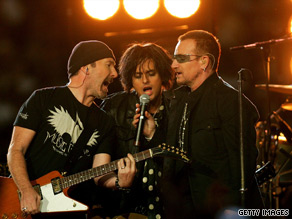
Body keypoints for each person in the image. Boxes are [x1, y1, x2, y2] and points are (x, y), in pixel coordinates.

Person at [136, 30, 263, 218]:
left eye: (181, 58)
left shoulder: (230, 101)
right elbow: (173, 155)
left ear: (204, 62)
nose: (173, 64)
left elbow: (241, 166)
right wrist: (153, 133)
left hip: (219, 209)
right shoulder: (177, 100)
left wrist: (229, 208)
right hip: (184, 209)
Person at [6, 40, 136, 218]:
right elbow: (16, 149)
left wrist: (120, 181)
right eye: (109, 65)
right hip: (22, 202)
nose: (115, 73)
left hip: (66, 210)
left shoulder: (104, 122)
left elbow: (101, 173)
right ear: (86, 67)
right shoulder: (43, 98)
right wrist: (26, 190)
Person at [100, 43, 174, 218]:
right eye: (138, 76)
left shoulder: (177, 108)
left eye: (151, 74)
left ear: (162, 76)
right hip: (127, 208)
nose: (145, 81)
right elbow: (100, 160)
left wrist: (154, 136)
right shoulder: (114, 108)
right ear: (130, 80)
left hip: (167, 208)